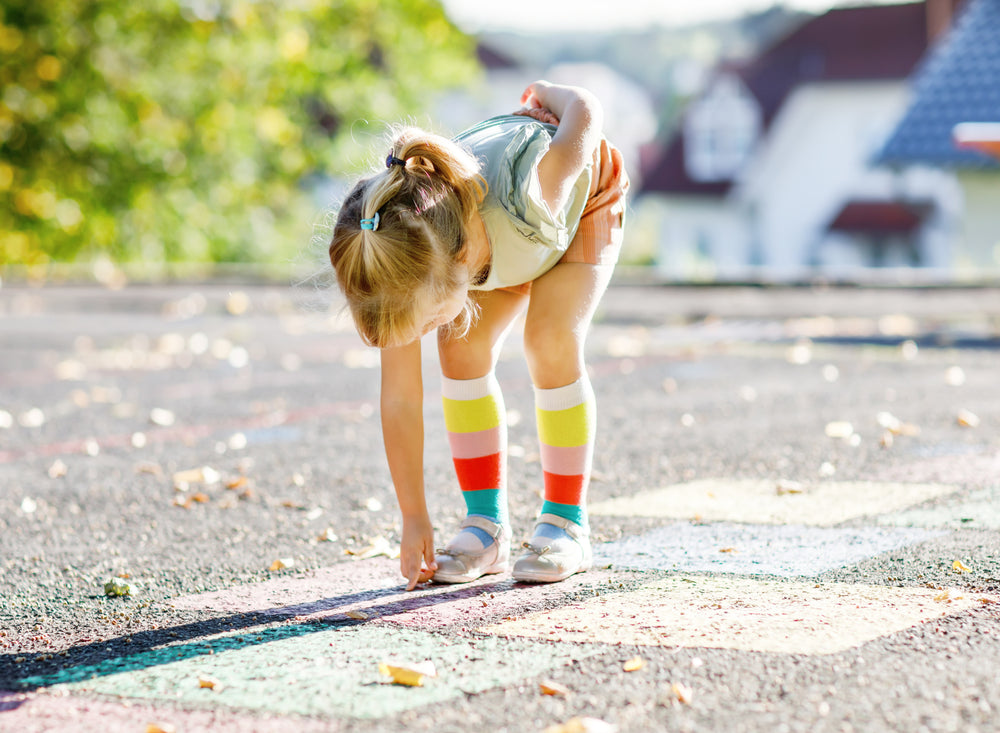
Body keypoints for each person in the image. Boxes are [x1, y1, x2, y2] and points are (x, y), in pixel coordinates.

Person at [328, 81, 629, 590]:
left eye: (423, 320)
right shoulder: (406, 257)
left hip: (577, 204)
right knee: (459, 345)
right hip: (503, 242)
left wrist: (555, 95)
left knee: (550, 340)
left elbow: (587, 110)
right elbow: (400, 400)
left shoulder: (536, 189)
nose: (420, 333)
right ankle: (485, 527)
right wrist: (414, 515)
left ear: (457, 268)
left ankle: (565, 523)